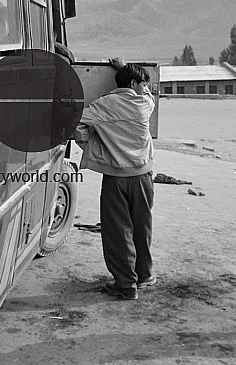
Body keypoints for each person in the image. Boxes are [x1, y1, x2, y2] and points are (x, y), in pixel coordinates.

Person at [73, 58, 156, 300]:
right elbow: (148, 93)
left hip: (115, 178)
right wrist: (123, 68)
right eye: (142, 84)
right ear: (133, 83)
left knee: (118, 232)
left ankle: (125, 285)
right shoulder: (144, 104)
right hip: (143, 177)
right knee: (142, 227)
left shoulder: (104, 105)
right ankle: (145, 275)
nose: (145, 88)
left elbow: (76, 121)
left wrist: (92, 142)